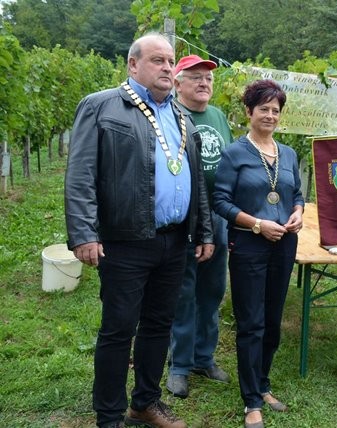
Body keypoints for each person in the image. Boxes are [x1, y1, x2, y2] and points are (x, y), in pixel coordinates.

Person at [64, 33, 213, 428]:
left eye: (170, 62)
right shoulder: (102, 107)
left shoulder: (180, 116)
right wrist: (83, 232)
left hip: (173, 240)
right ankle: (109, 416)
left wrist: (204, 232)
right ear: (133, 65)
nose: (167, 67)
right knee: (118, 329)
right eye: (158, 60)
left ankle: (144, 402)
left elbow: (195, 180)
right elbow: (80, 174)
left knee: (158, 325)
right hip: (124, 241)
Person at [212, 79, 304, 428]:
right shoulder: (234, 153)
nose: (269, 115)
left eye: (275, 110)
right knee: (250, 323)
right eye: (263, 108)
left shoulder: (288, 154)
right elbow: (220, 201)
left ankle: (263, 383)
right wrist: (256, 225)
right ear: (249, 112)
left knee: (272, 321)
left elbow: (296, 193)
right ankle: (251, 400)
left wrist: (298, 213)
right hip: (249, 244)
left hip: (283, 244)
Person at [165, 54, 234, 398]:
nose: (204, 83)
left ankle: (204, 358)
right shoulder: (171, 115)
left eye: (208, 78)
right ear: (177, 83)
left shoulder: (218, 116)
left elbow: (231, 161)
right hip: (185, 217)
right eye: (195, 77)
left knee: (212, 290)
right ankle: (179, 364)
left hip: (219, 216)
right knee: (184, 292)